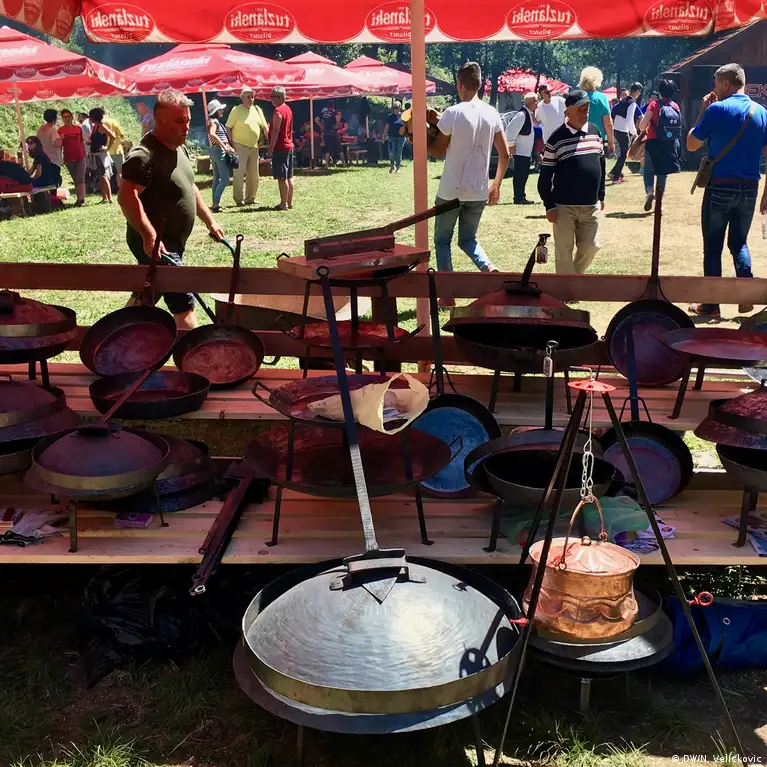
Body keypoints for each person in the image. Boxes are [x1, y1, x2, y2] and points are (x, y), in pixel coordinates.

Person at [118, 90, 224, 331]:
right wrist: (149, 235)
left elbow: (190, 188)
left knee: (147, 293)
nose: (186, 127)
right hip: (158, 245)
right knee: (183, 300)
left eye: (187, 120)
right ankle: (196, 349)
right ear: (160, 120)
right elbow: (126, 196)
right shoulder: (144, 155)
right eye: (179, 121)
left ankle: (116, 336)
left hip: (172, 242)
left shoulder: (179, 148)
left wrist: (210, 221)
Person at [686, 63, 767, 318]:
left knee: (713, 246)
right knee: (739, 242)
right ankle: (745, 294)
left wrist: (703, 110)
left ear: (725, 84)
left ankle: (711, 304)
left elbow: (691, 144)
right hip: (750, 187)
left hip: (720, 185)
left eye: (716, 83)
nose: (715, 89)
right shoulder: (761, 112)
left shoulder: (716, 109)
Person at [428, 61, 509, 289]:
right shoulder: (492, 113)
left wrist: (419, 138)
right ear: (480, 84)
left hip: (450, 192)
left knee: (442, 242)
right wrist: (496, 185)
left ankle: (447, 291)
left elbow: (437, 151)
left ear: (459, 84)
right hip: (478, 192)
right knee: (468, 240)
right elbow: (505, 155)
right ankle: (489, 268)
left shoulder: (453, 113)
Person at [538, 89, 606, 275]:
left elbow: (601, 164)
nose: (585, 112)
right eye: (580, 109)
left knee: (591, 246)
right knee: (564, 252)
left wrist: (601, 195)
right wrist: (549, 205)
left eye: (586, 108)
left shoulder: (595, 131)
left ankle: (572, 279)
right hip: (563, 207)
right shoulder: (556, 139)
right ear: (567, 111)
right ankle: (565, 289)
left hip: (591, 205)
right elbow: (545, 177)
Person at [638, 79, 682, 213]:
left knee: (648, 170)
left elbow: (642, 125)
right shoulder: (675, 106)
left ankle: (649, 192)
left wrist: (645, 127)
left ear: (660, 91)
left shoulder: (654, 105)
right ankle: (659, 202)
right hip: (670, 144)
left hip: (654, 143)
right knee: (662, 173)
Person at [226, 85, 268, 206]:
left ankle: (251, 198)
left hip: (254, 147)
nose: (251, 99)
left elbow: (265, 127)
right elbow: (228, 128)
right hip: (239, 145)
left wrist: (270, 140)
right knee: (239, 174)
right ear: (242, 98)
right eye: (248, 97)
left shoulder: (257, 109)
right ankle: (239, 200)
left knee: (254, 175)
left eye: (252, 97)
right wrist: (231, 144)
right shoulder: (236, 110)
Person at [505, 92, 538, 204]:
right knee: (520, 175)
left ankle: (521, 196)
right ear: (531, 102)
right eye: (536, 100)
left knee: (524, 175)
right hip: (520, 151)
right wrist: (511, 145)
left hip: (525, 152)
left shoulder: (528, 114)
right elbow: (510, 131)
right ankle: (518, 198)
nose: (537, 103)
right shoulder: (522, 115)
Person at [206, 99, 235, 213]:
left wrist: (227, 146)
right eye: (220, 109)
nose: (222, 111)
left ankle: (215, 203)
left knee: (217, 178)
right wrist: (224, 146)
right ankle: (216, 203)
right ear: (216, 111)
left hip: (214, 151)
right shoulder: (214, 122)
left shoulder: (212, 121)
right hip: (219, 151)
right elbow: (212, 134)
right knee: (225, 179)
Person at [610, 82, 643, 183]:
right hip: (623, 130)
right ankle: (616, 177)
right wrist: (634, 133)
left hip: (616, 128)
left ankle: (614, 172)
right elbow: (629, 119)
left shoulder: (624, 100)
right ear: (637, 91)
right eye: (639, 92)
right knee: (624, 154)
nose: (639, 94)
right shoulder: (632, 103)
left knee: (623, 153)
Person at [268, 86, 294, 211]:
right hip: (289, 146)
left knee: (282, 177)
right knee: (289, 176)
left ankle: (283, 203)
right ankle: (289, 202)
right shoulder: (288, 109)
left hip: (280, 147)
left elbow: (276, 131)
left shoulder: (278, 111)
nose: (270, 99)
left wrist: (270, 148)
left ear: (278, 97)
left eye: (272, 96)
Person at [579, 67, 615, 156]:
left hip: (578, 139)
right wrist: (611, 142)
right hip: (596, 140)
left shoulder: (576, 97)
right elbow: (608, 124)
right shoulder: (602, 98)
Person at [58, 109, 86, 206]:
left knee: (80, 178)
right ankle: (78, 199)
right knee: (75, 179)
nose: (67, 118)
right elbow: (58, 145)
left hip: (80, 157)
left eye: (68, 116)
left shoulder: (78, 128)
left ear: (72, 117)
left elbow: (82, 141)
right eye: (64, 117)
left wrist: (84, 153)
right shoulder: (60, 130)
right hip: (68, 157)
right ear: (62, 119)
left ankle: (82, 200)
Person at [87, 107, 115, 204]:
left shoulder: (102, 127)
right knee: (99, 176)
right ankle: (104, 198)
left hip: (101, 155)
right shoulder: (95, 127)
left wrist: (107, 148)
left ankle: (110, 198)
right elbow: (92, 139)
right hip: (95, 154)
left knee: (103, 176)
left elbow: (113, 137)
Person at [316, 101, 343, 167]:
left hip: (326, 133)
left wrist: (321, 125)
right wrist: (337, 125)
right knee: (339, 149)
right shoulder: (333, 112)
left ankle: (327, 165)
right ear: (333, 105)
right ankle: (344, 163)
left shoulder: (323, 112)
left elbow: (316, 119)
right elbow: (338, 117)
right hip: (333, 132)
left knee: (327, 150)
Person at [103, 109, 125, 187]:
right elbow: (122, 135)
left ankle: (108, 190)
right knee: (120, 172)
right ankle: (120, 189)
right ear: (106, 113)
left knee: (106, 173)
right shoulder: (114, 122)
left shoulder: (99, 124)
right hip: (117, 150)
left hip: (105, 151)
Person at [383, 101, 406, 173]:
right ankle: (392, 166)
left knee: (399, 152)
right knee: (391, 152)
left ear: (399, 108)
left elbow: (406, 127)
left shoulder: (403, 116)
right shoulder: (390, 116)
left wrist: (408, 136)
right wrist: (383, 136)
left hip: (400, 137)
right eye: (394, 108)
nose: (395, 109)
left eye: (397, 107)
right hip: (391, 137)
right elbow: (386, 127)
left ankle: (398, 167)